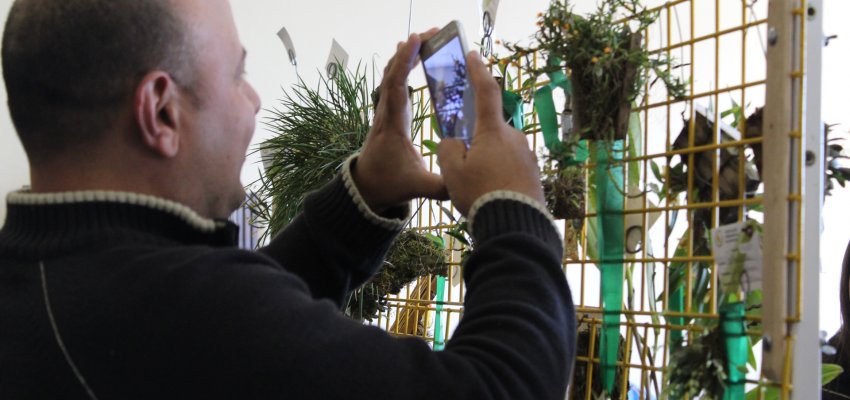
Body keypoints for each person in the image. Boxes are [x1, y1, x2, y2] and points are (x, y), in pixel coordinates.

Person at [0, 0, 576, 398]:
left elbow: (237, 339)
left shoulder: (51, 280)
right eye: (237, 76)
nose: (252, 101)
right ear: (161, 112)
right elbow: (506, 386)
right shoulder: (184, 316)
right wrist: (514, 208)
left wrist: (364, 197)